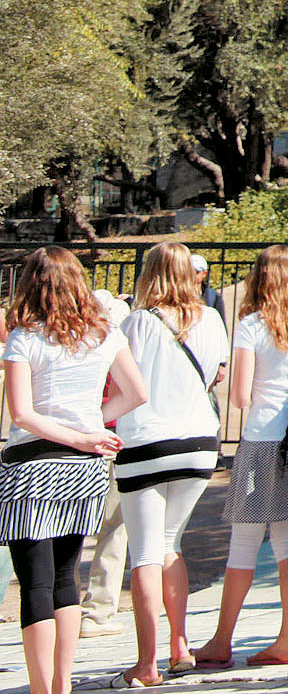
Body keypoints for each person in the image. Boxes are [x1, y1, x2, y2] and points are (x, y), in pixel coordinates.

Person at [192, 245, 288, 670]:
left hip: (262, 441)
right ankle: (287, 640)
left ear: (259, 278)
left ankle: (221, 641)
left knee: (243, 542)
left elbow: (240, 397)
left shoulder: (250, 326)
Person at [4, 249, 147, 694]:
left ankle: (39, 687)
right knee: (67, 577)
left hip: (33, 466)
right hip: (83, 468)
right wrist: (90, 427)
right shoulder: (104, 334)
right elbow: (136, 393)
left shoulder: (24, 338)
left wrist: (77, 435)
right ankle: (62, 684)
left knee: (35, 584)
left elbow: (22, 415)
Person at [115, 242, 229, 688]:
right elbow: (218, 373)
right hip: (199, 439)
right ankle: (179, 645)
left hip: (146, 440)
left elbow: (120, 378)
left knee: (144, 550)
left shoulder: (137, 322)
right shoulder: (212, 319)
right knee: (170, 542)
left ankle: (146, 663)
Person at [77, 290, 135, 641]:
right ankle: (97, 611)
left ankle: (63, 607)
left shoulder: (73, 341)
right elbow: (136, 393)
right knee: (113, 528)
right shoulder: (118, 343)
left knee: (69, 529)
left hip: (75, 438)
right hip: (112, 437)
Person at [189, 254, 228, 331]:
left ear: (204, 274)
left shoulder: (214, 296)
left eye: (196, 272)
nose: (192, 275)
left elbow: (221, 326)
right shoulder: (178, 295)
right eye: (189, 271)